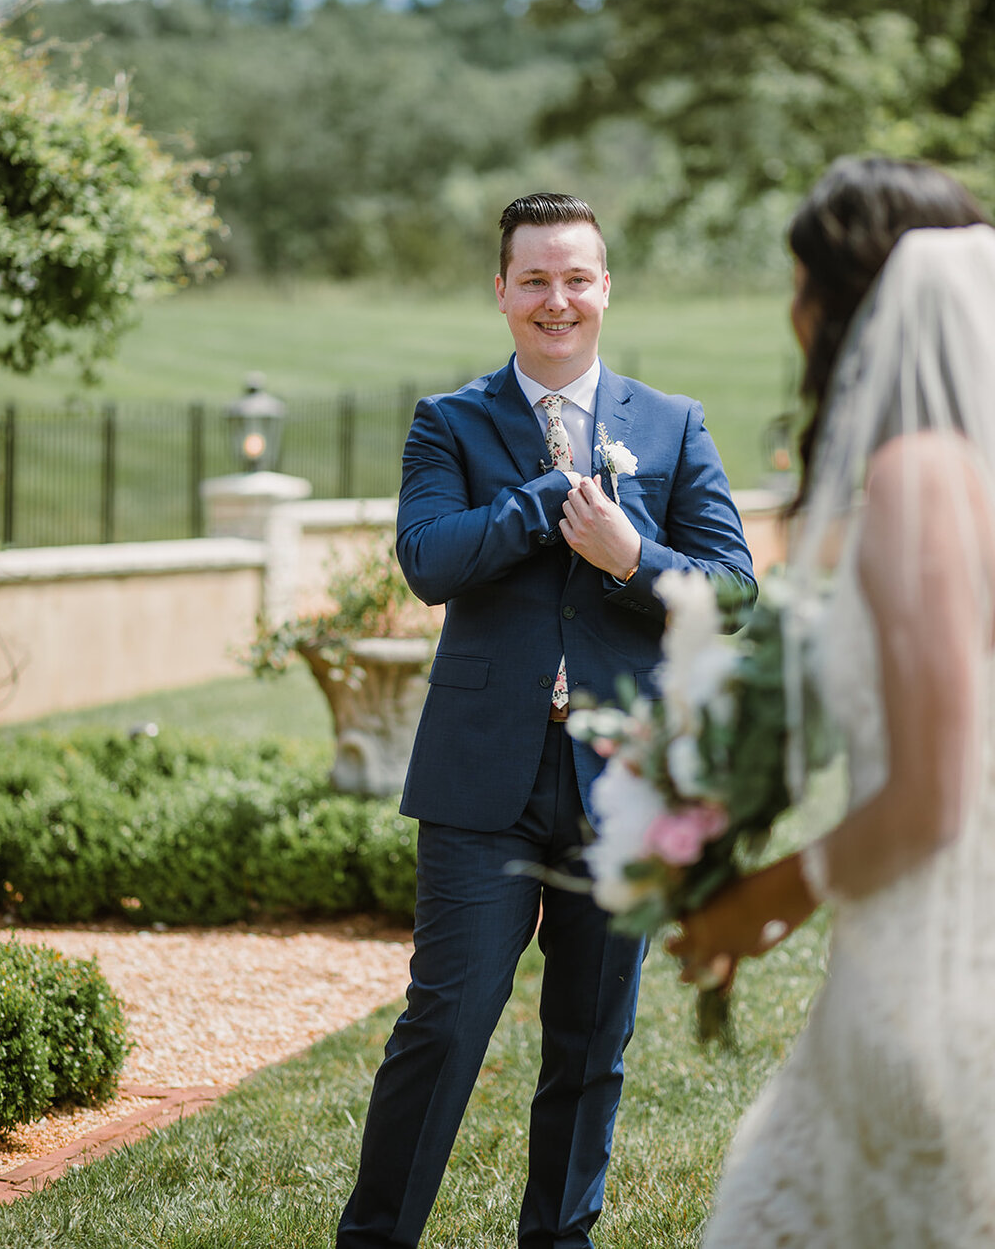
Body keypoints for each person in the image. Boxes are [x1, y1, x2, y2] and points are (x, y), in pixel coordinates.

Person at [335, 192, 756, 1249]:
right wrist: (546, 500)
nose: (556, 299)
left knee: (590, 1041)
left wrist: (634, 560)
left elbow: (735, 593)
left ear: (605, 288)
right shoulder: (450, 423)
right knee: (443, 1027)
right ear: (502, 292)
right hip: (483, 784)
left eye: (576, 277)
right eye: (535, 279)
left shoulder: (672, 424)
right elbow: (428, 562)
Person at [669, 156, 995, 1247]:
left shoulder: (915, 480)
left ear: (844, 304)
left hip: (923, 987)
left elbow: (932, 798)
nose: (791, 311)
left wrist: (764, 895)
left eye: (801, 282)